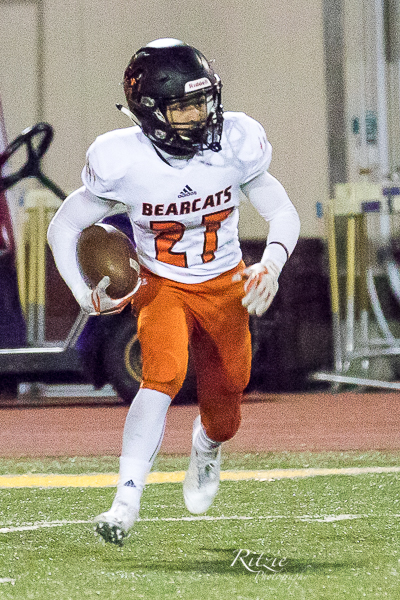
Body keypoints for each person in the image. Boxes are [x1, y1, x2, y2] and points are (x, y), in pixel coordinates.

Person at [47, 38, 300, 545]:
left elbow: (282, 211)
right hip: (161, 283)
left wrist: (270, 265)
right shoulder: (123, 159)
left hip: (225, 283)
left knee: (227, 404)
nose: (199, 114)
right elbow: (64, 226)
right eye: (183, 106)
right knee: (162, 376)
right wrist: (79, 291)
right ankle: (125, 500)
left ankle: (207, 447)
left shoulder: (235, 142)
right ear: (149, 110)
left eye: (203, 100)